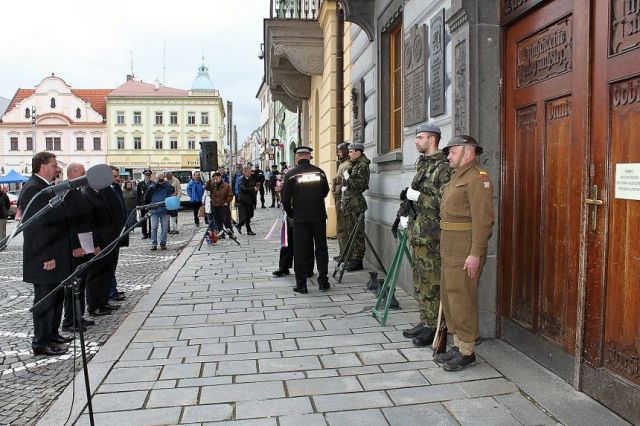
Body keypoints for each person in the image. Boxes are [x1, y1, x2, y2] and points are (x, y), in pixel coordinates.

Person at [435, 135, 494, 371]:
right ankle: (458, 345)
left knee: (463, 299)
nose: (448, 155)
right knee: (450, 298)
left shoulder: (478, 179)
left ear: (467, 152)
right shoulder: (456, 177)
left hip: (465, 249)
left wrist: (475, 253)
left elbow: (483, 220)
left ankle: (467, 351)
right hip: (450, 247)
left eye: (451, 151)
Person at [399, 124, 453, 347]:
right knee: (420, 282)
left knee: (432, 283)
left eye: (419, 137)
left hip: (432, 237)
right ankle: (425, 320)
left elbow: (444, 203)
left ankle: (435, 327)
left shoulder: (443, 168)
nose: (415, 141)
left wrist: (418, 197)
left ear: (432, 139)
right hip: (418, 233)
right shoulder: (423, 164)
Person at [19, 152, 74, 355]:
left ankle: (52, 334)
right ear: (42, 166)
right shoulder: (33, 188)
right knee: (44, 301)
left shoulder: (45, 187)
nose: (57, 169)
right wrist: (46, 257)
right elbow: (35, 227)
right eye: (53, 165)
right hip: (43, 258)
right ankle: (41, 342)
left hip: (55, 254)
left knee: (55, 297)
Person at [281, 146, 330, 293]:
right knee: (321, 248)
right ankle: (323, 281)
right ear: (309, 156)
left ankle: (301, 284)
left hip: (300, 218)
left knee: (301, 250)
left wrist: (292, 213)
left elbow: (284, 199)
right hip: (318, 216)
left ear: (297, 158)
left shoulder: (291, 175)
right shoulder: (319, 172)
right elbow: (325, 191)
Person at [61, 163, 97, 332]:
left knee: (81, 282)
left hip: (85, 241)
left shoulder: (77, 191)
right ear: (73, 174)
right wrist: (75, 246)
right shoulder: (67, 193)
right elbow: (69, 222)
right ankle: (70, 320)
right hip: (77, 245)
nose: (85, 176)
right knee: (74, 284)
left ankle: (78, 316)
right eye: (82, 173)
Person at [340, 142, 371, 271]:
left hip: (356, 204)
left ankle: (358, 260)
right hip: (350, 203)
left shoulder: (362, 165)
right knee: (351, 232)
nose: (349, 154)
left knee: (357, 233)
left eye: (352, 152)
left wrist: (348, 179)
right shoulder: (355, 164)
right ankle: (352, 258)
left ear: (358, 152)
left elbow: (361, 184)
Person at [100, 166, 128, 302]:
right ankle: (109, 291)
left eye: (118, 176)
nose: (118, 178)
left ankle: (112, 289)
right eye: (115, 176)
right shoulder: (103, 191)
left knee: (113, 263)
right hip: (109, 235)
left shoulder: (115, 188)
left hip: (118, 233)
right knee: (108, 264)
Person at [145, 172, 175, 250]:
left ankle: (163, 243)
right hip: (154, 210)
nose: (160, 179)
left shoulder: (167, 184)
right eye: (159, 177)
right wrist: (156, 183)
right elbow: (148, 192)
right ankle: (153, 244)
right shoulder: (152, 185)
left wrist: (165, 183)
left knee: (164, 228)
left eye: (162, 177)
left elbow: (172, 190)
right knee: (154, 227)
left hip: (165, 210)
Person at [332, 143, 351, 261]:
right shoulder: (342, 164)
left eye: (339, 151)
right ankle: (342, 252)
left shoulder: (347, 165)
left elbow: (347, 183)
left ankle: (345, 254)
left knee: (343, 228)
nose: (338, 153)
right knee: (340, 227)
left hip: (342, 199)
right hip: (338, 198)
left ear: (345, 151)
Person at [207, 172, 234, 237]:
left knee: (226, 220)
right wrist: (210, 181)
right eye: (214, 178)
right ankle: (221, 234)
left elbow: (230, 195)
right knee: (217, 221)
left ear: (220, 177)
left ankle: (230, 233)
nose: (216, 180)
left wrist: (227, 202)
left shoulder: (226, 186)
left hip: (223, 206)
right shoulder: (213, 185)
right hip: (215, 206)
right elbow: (206, 187)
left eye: (217, 178)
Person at [236, 166, 257, 235]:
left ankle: (239, 225)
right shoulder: (241, 179)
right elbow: (243, 189)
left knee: (251, 214)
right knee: (247, 215)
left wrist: (256, 188)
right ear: (244, 172)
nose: (250, 173)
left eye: (250, 171)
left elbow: (252, 186)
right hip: (244, 199)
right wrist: (253, 189)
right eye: (248, 172)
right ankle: (249, 230)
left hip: (250, 199)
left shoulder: (251, 178)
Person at [136, 169, 153, 239]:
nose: (147, 176)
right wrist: (138, 204)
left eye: (149, 175)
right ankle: (144, 233)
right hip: (143, 205)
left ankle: (151, 233)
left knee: (151, 220)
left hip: (151, 204)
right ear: (144, 175)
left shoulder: (153, 183)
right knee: (143, 220)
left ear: (150, 176)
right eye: (146, 175)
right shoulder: (140, 184)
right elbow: (138, 195)